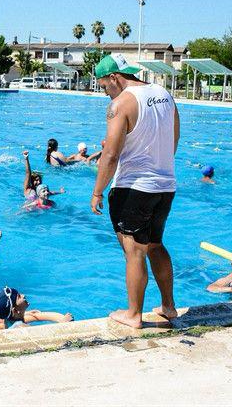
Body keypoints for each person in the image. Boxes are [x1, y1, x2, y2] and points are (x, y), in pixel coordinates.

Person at [89, 54, 179, 329]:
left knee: (134, 252)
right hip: (165, 185)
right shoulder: (164, 94)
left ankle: (133, 314)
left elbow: (111, 154)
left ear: (114, 77)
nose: (105, 93)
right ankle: (168, 306)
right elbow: (173, 137)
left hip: (133, 188)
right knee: (155, 245)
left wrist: (97, 191)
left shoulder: (121, 103)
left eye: (104, 86)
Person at [0, 287, 73, 333]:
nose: (24, 296)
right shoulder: (21, 327)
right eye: (19, 297)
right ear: (15, 311)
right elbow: (43, 334)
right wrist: (64, 323)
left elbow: (0, 319)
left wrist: (26, 313)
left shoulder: (5, 320)